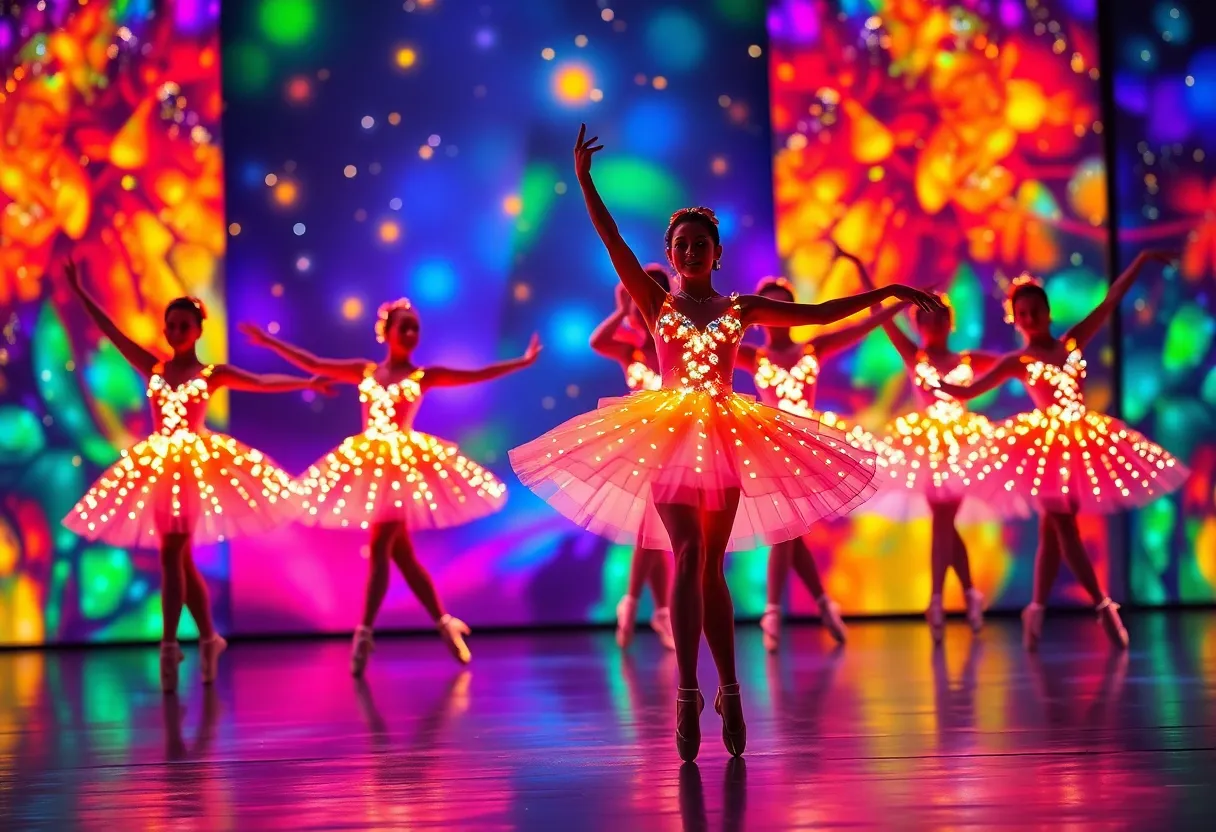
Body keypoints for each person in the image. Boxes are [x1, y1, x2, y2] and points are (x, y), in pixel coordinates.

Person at [510, 125, 944, 760]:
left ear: (715, 253)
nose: (688, 252)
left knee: (709, 567)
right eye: (679, 244)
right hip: (664, 434)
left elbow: (819, 316)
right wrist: (584, 181)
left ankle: (731, 689)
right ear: (671, 251)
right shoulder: (654, 303)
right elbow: (612, 242)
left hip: (725, 433)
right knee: (686, 556)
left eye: (699, 244)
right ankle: (688, 691)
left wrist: (886, 293)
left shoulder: (741, 309)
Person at [62, 258, 330, 693]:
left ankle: (169, 646)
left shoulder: (211, 375)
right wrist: (80, 292)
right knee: (180, 559)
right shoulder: (152, 368)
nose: (177, 330)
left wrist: (308, 383)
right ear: (166, 330)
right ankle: (209, 638)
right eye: (172, 324)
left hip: (193, 469)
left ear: (198, 330)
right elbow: (112, 332)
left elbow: (260, 382)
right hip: (159, 467)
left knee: (172, 555)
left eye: (185, 324)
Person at [240, 299, 541, 674]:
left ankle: (364, 632)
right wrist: (271, 345)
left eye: (415, 327)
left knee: (382, 546)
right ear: (386, 332)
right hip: (370, 464)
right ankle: (443, 624)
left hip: (402, 468)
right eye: (404, 327)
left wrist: (522, 362)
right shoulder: (365, 372)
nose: (411, 334)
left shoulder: (422, 376)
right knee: (403, 557)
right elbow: (315, 364)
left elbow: (475, 375)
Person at [937, 252, 1188, 650]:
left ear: (1048, 311)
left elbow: (1109, 302)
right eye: (1023, 313)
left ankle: (1034, 611)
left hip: (1080, 441)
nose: (1030, 318)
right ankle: (1104, 606)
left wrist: (1138, 261)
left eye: (1035, 310)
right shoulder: (1017, 361)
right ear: (1015, 320)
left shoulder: (1072, 342)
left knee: (1052, 536)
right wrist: (945, 388)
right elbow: (971, 390)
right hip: (1044, 451)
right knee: (1065, 528)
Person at [850, 251, 1027, 642]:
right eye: (924, 319)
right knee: (944, 523)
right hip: (926, 448)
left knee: (945, 523)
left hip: (963, 447)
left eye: (938, 318)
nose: (932, 325)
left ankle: (939, 598)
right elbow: (882, 315)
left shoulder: (967, 358)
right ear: (918, 324)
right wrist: (864, 271)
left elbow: (1011, 363)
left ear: (950, 321)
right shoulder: (914, 356)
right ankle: (964, 595)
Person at [736, 269, 908, 650]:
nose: (777, 315)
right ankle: (803, 606)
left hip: (805, 450)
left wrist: (893, 306)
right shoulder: (753, 355)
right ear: (760, 316)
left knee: (788, 531)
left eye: (785, 307)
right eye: (770, 309)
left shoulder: (811, 350)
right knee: (787, 530)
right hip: (768, 450)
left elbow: (857, 330)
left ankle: (784, 609)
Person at [588, 273, 676, 651]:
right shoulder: (630, 346)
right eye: (636, 297)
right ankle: (639, 604)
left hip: (676, 437)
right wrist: (621, 309)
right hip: (641, 439)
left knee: (656, 527)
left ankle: (654, 609)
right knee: (651, 524)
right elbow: (597, 341)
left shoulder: (673, 336)